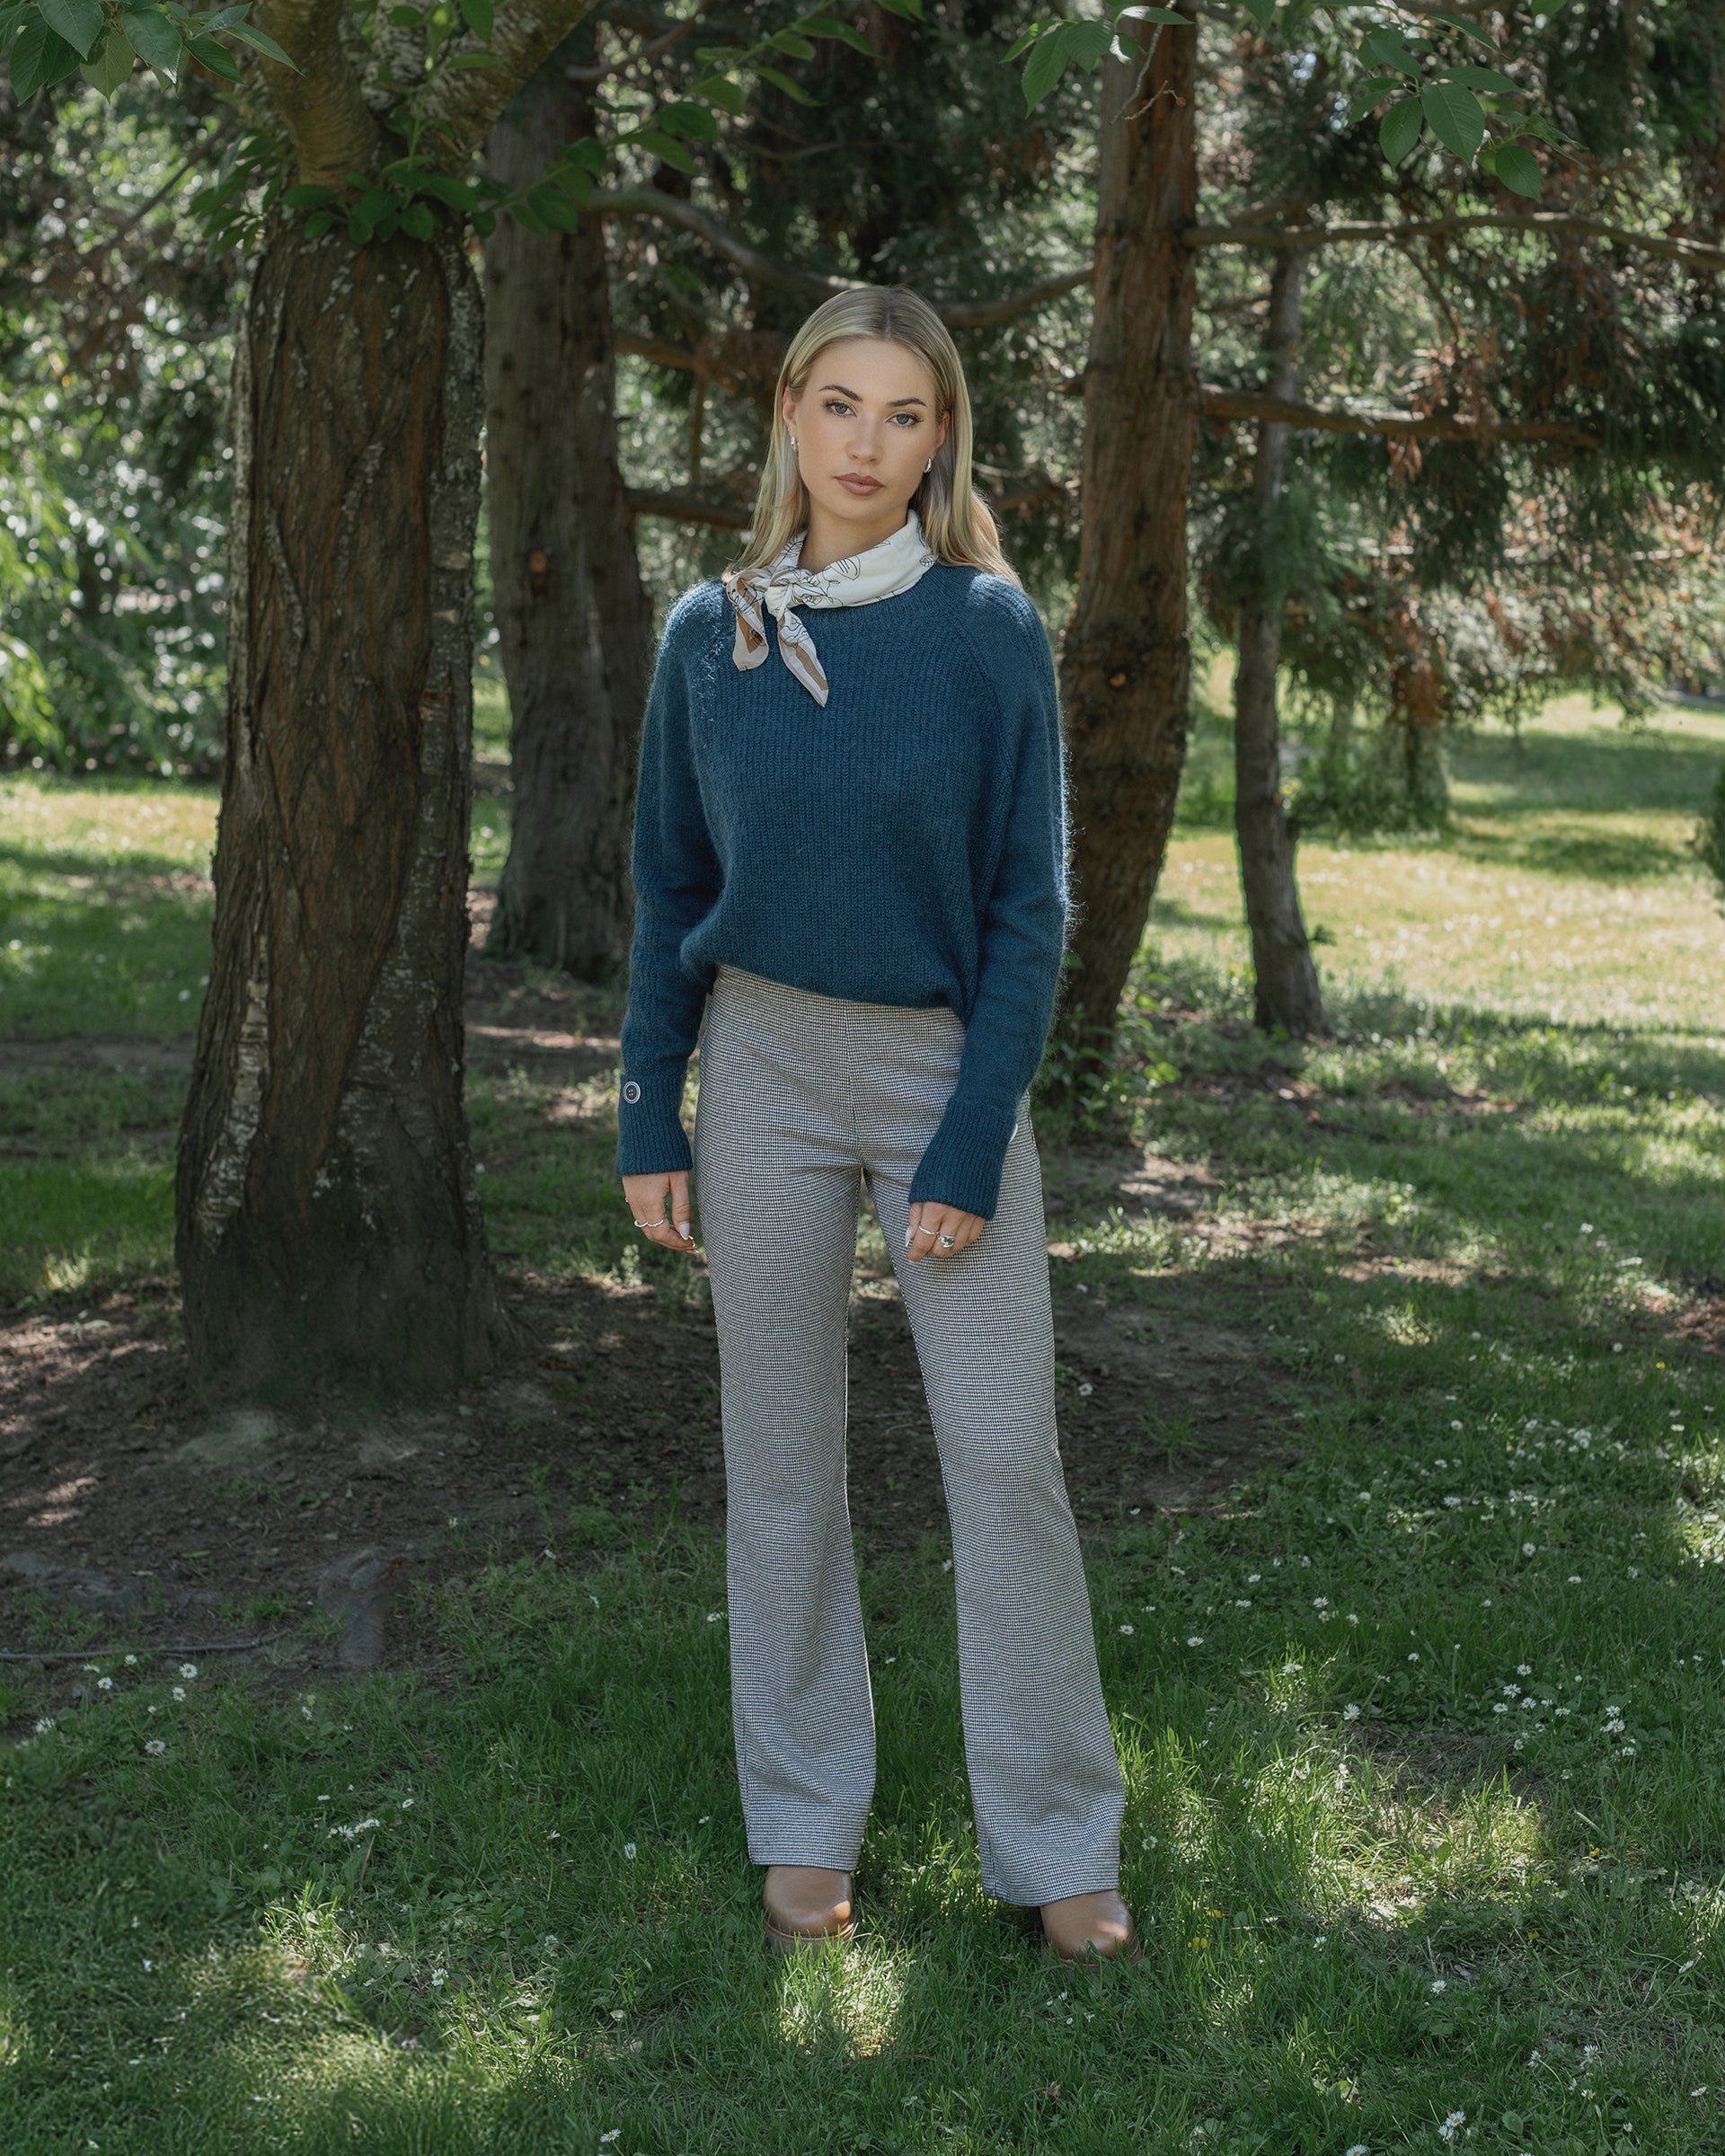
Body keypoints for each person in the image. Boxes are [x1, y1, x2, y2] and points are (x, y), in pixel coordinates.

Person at [615, 286, 1135, 1965]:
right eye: (839, 405)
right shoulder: (710, 637)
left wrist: (974, 1137)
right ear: (787, 413)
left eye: (903, 415)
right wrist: (648, 1112)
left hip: (936, 1074)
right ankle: (801, 1816)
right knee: (780, 1463)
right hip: (759, 1067)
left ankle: (1058, 1838)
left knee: (1003, 1455)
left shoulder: (987, 630)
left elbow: (1029, 908)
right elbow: (668, 890)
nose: (866, 443)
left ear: (941, 438)